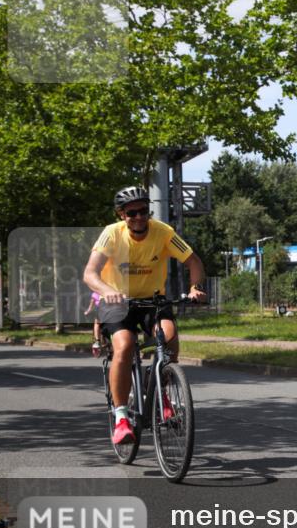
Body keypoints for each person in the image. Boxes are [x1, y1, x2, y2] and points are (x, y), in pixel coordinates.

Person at [83, 186, 206, 445]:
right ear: (122, 215)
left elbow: (193, 261)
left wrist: (195, 287)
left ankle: (158, 385)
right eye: (132, 213)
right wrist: (107, 291)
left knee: (169, 338)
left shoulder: (163, 232)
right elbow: (90, 273)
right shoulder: (111, 234)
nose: (139, 217)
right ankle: (121, 418)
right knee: (125, 345)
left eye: (143, 211)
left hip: (152, 300)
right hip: (117, 302)